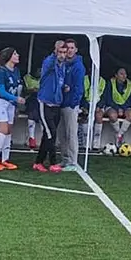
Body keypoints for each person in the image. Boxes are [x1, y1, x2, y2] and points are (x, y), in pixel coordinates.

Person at [33, 40, 67, 172]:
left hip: (56, 104)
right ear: (55, 51)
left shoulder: (62, 65)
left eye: (64, 52)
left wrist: (63, 88)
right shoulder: (49, 62)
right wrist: (55, 53)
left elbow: (59, 81)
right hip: (45, 103)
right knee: (50, 133)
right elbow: (50, 62)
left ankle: (38, 161)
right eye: (60, 52)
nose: (62, 55)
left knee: (48, 135)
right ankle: (52, 162)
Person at [0, 46, 25, 171]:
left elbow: (16, 88)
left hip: (10, 104)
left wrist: (15, 104)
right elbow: (1, 91)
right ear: (9, 57)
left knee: (9, 131)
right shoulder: (1, 71)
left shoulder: (16, 70)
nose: (18, 55)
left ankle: (5, 159)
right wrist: (16, 99)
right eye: (15, 54)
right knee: (3, 130)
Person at [58, 39, 85, 171]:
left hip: (70, 104)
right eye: (67, 48)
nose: (69, 50)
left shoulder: (78, 66)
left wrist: (74, 103)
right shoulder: (63, 64)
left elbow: (79, 87)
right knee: (62, 133)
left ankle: (73, 161)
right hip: (61, 103)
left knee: (71, 133)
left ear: (76, 50)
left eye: (71, 48)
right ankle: (65, 159)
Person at [99, 68, 131, 148]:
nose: (124, 76)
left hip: (125, 107)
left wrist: (122, 108)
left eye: (125, 74)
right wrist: (117, 108)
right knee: (113, 115)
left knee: (130, 115)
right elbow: (108, 98)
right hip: (112, 105)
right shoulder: (110, 82)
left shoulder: (130, 84)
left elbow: (130, 100)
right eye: (121, 74)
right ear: (116, 75)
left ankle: (119, 135)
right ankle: (119, 135)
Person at [22, 67, 41, 150]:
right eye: (38, 70)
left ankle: (38, 138)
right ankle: (31, 138)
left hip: (42, 101)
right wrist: (32, 90)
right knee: (33, 102)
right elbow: (23, 91)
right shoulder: (27, 78)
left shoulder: (45, 77)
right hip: (29, 100)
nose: (40, 72)